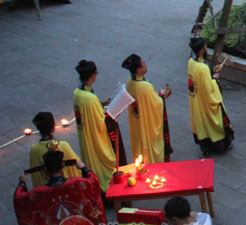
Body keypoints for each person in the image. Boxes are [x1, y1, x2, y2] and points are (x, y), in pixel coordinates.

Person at [73, 60, 126, 193]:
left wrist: (101, 104)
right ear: (92, 76)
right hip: (95, 138)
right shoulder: (89, 99)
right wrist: (114, 112)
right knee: (106, 161)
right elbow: (101, 123)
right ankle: (106, 188)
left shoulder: (77, 93)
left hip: (86, 135)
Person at [122, 53, 173, 165]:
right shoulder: (145, 87)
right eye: (143, 63)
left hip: (138, 124)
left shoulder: (130, 82)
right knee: (149, 150)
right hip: (147, 125)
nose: (146, 64)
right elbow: (157, 105)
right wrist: (162, 94)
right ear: (139, 70)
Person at [187, 38, 234, 155]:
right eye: (205, 46)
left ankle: (206, 146)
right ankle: (219, 145)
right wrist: (215, 79)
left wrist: (212, 72)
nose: (206, 48)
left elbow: (200, 80)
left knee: (203, 124)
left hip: (198, 101)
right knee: (217, 122)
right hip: (207, 102)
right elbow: (209, 89)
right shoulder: (202, 68)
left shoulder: (191, 63)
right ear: (202, 49)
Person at [29, 111, 82, 188]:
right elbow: (77, 167)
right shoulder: (63, 145)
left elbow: (36, 176)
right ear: (53, 127)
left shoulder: (34, 150)